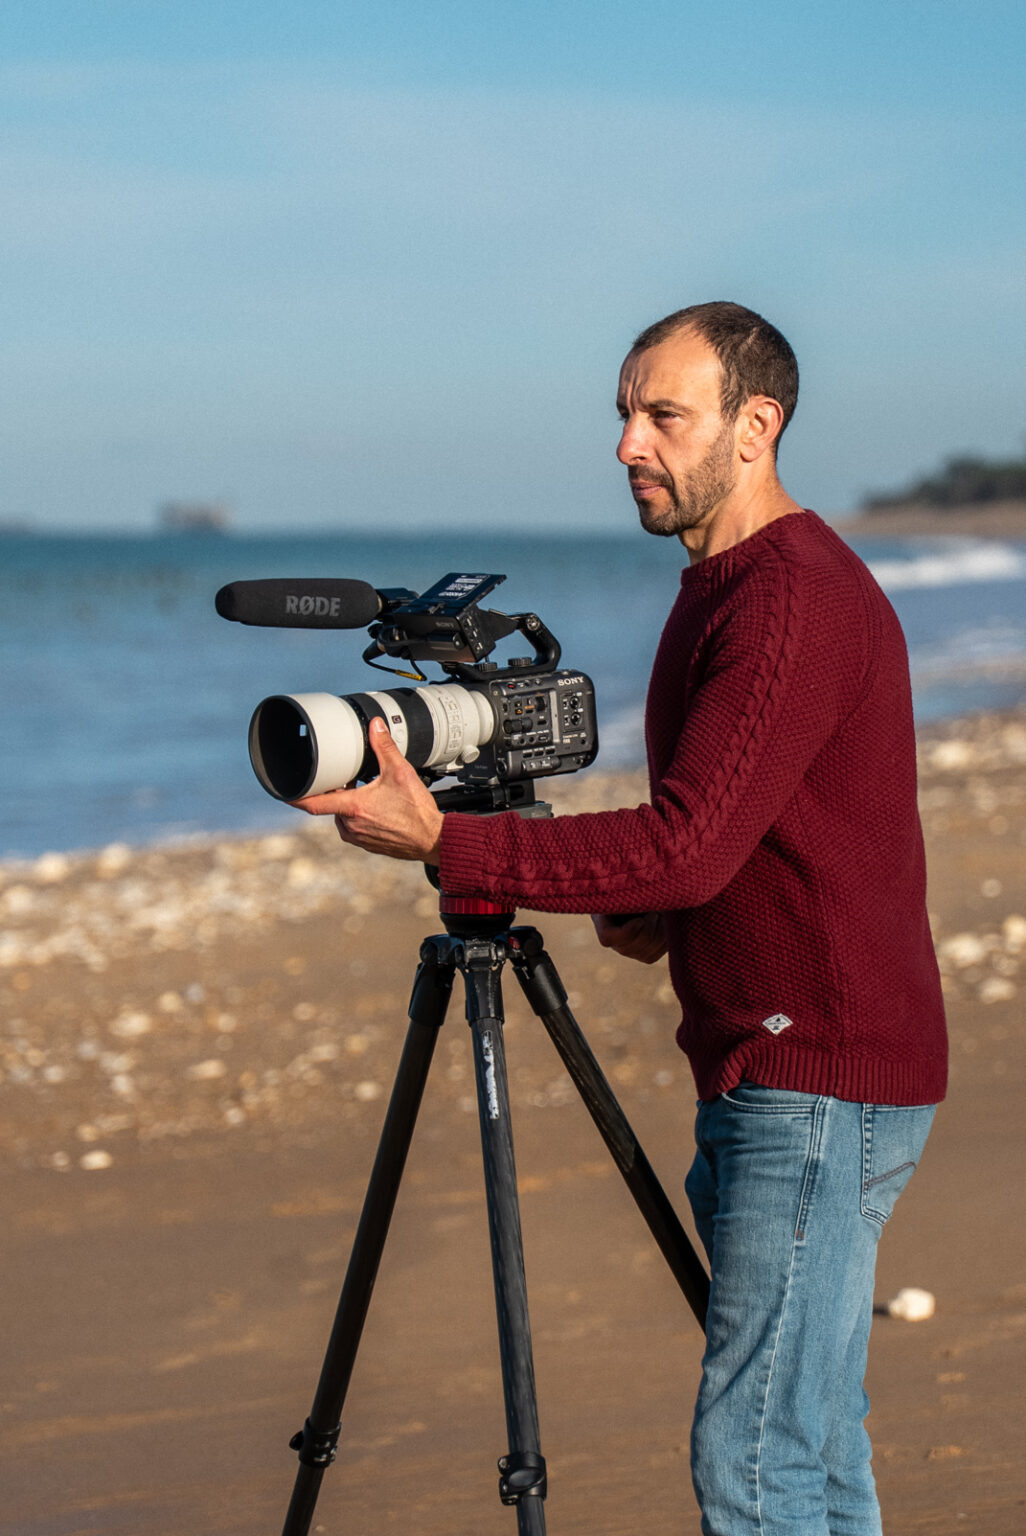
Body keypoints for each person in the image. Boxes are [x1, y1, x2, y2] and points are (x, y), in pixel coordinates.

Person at [295, 302, 948, 1535]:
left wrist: (448, 839)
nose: (628, 445)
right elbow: (741, 829)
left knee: (758, 1471)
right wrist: (658, 908)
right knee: (807, 1447)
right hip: (792, 1060)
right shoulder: (729, 584)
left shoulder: (788, 597)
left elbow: (693, 843)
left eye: (663, 414)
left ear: (757, 426)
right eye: (622, 415)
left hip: (814, 1076)